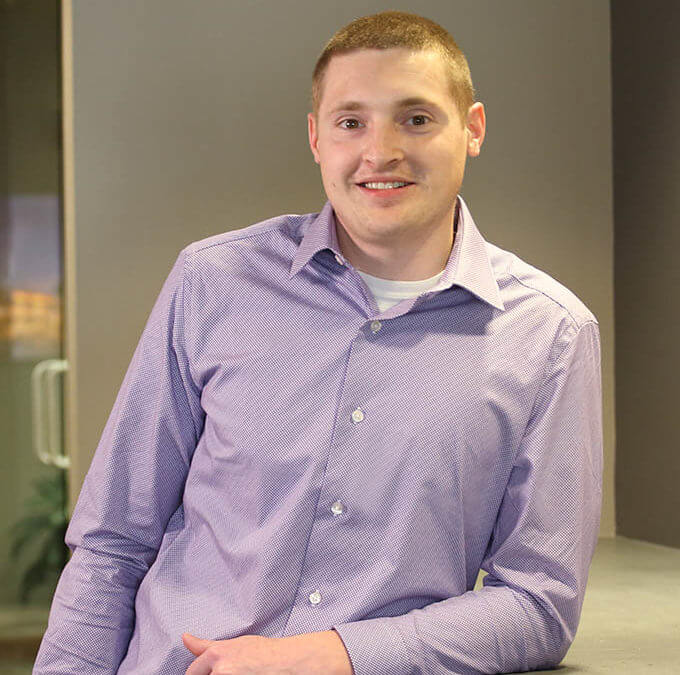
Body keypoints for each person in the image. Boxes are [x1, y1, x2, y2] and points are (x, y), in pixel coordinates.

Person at [34, 10, 603, 675]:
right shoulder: (213, 281)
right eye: (351, 122)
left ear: (472, 128)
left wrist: (330, 654)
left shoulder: (550, 335)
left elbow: (539, 603)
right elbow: (113, 541)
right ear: (316, 137)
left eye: (416, 118)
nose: (380, 152)